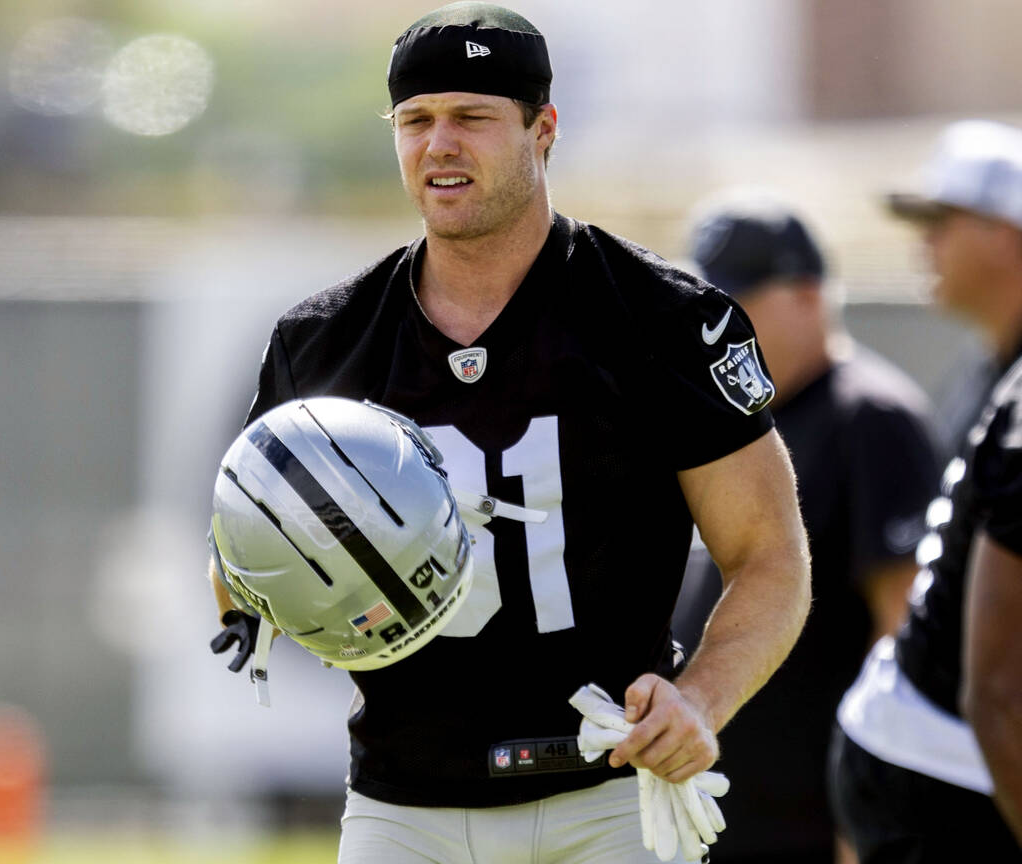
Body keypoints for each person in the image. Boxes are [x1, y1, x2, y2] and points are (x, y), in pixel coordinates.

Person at [208, 5, 810, 862]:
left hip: (610, 794)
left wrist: (701, 700)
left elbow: (770, 556)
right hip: (403, 806)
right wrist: (262, 591)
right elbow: (242, 551)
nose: (440, 144)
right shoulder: (324, 340)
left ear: (543, 129)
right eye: (415, 120)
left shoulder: (661, 320)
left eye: (472, 116)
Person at [671, 196, 941, 864]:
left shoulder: (870, 417)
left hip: (816, 825)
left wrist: (870, 814)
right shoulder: (738, 418)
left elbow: (904, 630)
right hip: (727, 819)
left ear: (807, 295)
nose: (713, 328)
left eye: (735, 306)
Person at [831, 119, 1022, 863]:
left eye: (941, 222)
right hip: (945, 760)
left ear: (1005, 232)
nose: (923, 244)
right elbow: (1001, 692)